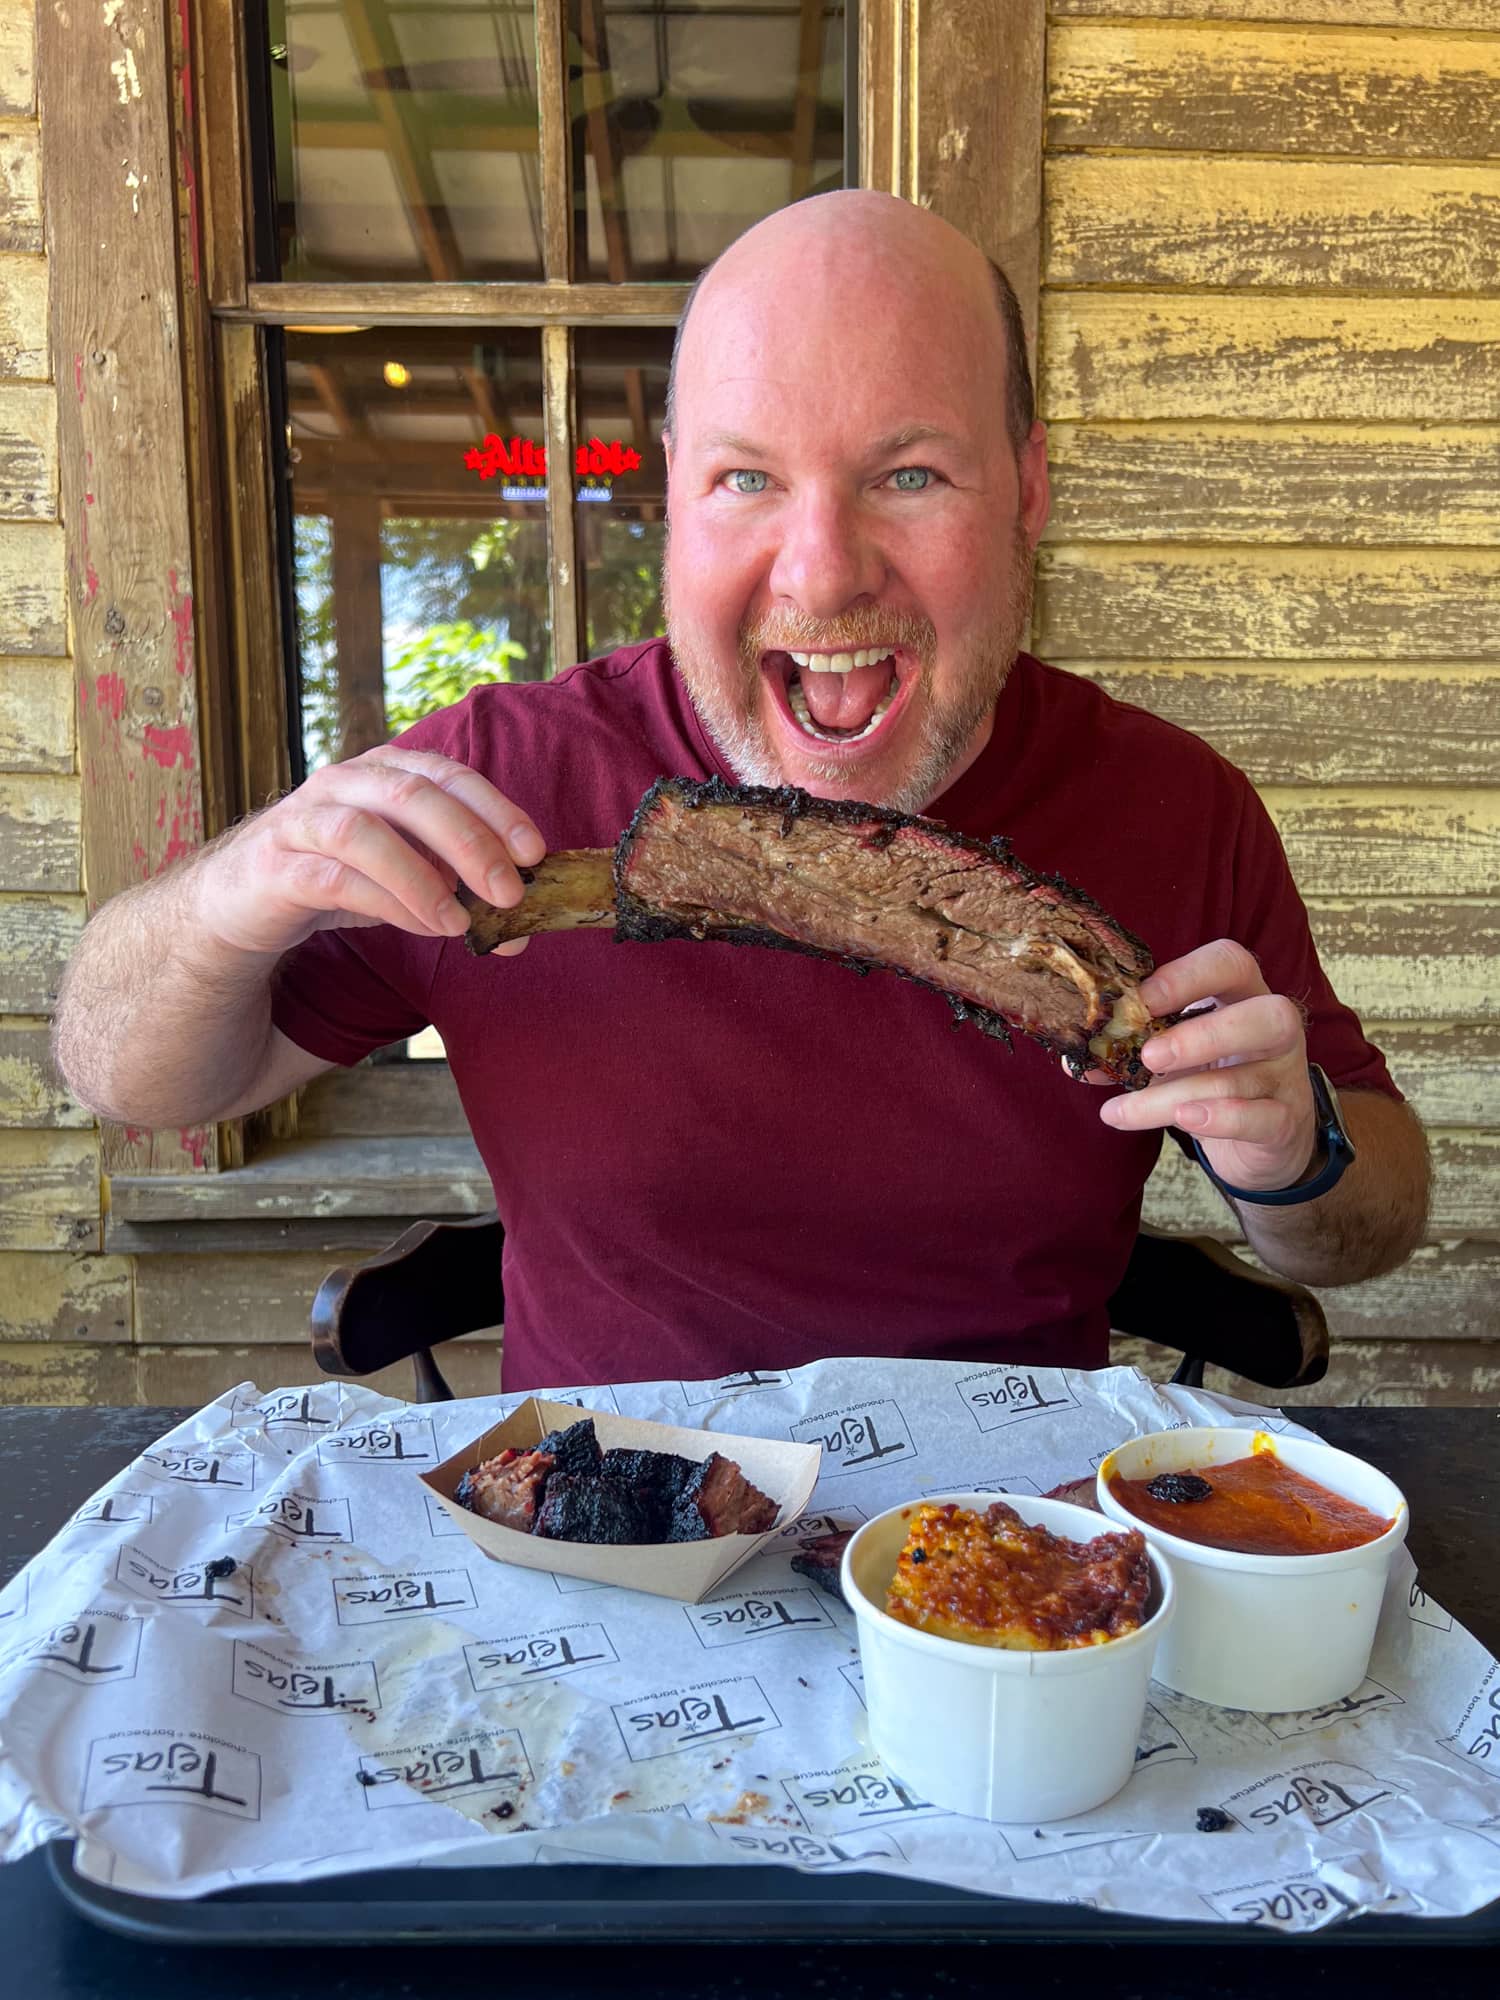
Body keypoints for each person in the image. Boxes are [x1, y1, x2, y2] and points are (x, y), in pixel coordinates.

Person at [53, 192, 1429, 1391]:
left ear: (1027, 491)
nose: (822, 573)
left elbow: (1366, 1228)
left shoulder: (1174, 808)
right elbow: (129, 1077)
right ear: (672, 500)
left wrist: (1292, 1151)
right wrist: (237, 891)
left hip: (1006, 1574)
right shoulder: (504, 783)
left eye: (909, 474)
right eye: (746, 479)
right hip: (606, 1545)